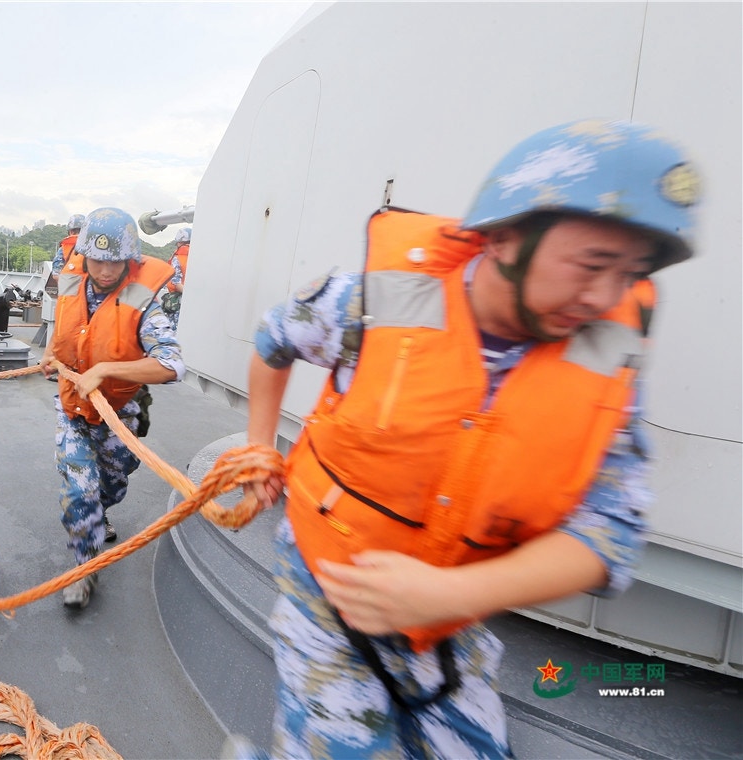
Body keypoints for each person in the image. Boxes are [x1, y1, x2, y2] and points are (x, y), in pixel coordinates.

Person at [235, 120, 700, 758]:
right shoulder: (373, 300)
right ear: (504, 237)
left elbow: (611, 532)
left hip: (449, 618)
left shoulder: (607, 356)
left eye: (631, 274)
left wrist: (448, 597)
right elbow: (274, 340)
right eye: (591, 264)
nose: (604, 297)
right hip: (327, 585)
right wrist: (261, 446)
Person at [38, 207, 183, 609]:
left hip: (119, 412)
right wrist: (52, 354)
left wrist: (106, 370)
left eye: (114, 262)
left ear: (130, 259)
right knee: (79, 490)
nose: (104, 270)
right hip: (73, 409)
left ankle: (98, 516)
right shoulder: (72, 280)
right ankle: (84, 568)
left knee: (111, 486)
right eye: (97, 260)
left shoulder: (144, 300)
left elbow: (172, 365)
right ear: (84, 255)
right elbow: (68, 328)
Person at [161, 227, 190, 331]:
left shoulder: (178, 258)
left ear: (180, 242)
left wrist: (188, 296)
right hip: (189, 303)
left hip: (177, 301)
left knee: (173, 330)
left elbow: (175, 282)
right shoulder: (197, 257)